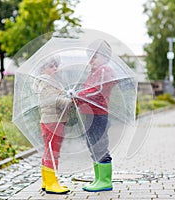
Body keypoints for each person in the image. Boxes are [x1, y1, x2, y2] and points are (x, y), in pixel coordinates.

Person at [76, 39, 116, 192]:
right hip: (89, 115)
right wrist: (78, 98)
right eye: (90, 57)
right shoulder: (93, 72)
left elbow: (96, 90)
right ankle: (98, 178)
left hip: (99, 115)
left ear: (105, 57)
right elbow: (87, 90)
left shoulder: (105, 70)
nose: (91, 60)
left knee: (100, 146)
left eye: (95, 57)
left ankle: (105, 181)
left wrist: (80, 95)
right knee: (92, 146)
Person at [33, 56, 71, 194]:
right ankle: (51, 183)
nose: (55, 68)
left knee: (50, 151)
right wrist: (68, 101)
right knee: (52, 152)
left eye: (56, 66)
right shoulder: (45, 82)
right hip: (51, 121)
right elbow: (51, 100)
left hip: (56, 120)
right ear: (43, 69)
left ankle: (46, 180)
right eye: (51, 66)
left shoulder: (51, 81)